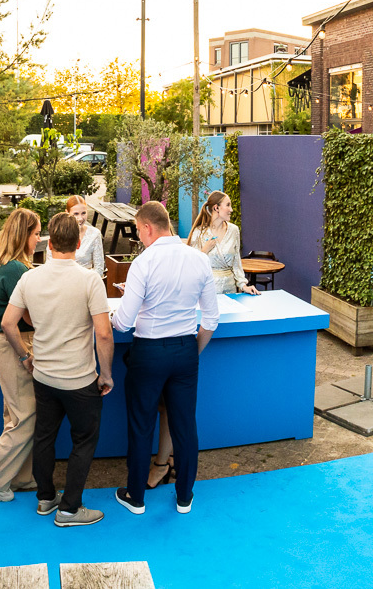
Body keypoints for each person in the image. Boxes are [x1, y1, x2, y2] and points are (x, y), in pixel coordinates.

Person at [1, 212, 113, 527]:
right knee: (84, 441)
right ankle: (70, 509)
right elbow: (104, 334)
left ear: (50, 244)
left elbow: (8, 323)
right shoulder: (89, 280)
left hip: (44, 377)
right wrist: (106, 374)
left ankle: (45, 498)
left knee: (44, 437)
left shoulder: (30, 278)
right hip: (79, 380)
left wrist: (25, 356)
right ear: (78, 244)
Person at [112, 201, 219, 516]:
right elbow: (211, 319)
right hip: (185, 349)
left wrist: (118, 311)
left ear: (147, 227)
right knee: (185, 425)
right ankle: (184, 497)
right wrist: (192, 351)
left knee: (141, 424)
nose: (138, 236)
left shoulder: (143, 263)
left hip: (148, 352)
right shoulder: (199, 259)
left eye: (138, 230)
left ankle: (136, 497)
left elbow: (124, 322)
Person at [0, 208, 43, 502]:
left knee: (16, 416)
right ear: (23, 235)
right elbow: (27, 317)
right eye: (36, 233)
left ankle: (21, 476)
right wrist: (25, 355)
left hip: (8, 345)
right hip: (18, 344)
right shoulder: (16, 270)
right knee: (27, 416)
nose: (39, 239)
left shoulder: (8, 266)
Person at [188, 190, 252, 295]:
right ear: (216, 208)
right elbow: (192, 265)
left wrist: (243, 285)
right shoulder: (199, 232)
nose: (231, 209)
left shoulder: (234, 230)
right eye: (228, 205)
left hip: (230, 290)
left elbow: (236, 262)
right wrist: (204, 250)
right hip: (207, 290)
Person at [63, 196, 105, 271]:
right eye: (76, 214)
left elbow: (99, 268)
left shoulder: (95, 234)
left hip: (88, 277)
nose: (80, 218)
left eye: (83, 213)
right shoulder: (59, 233)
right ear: (67, 213)